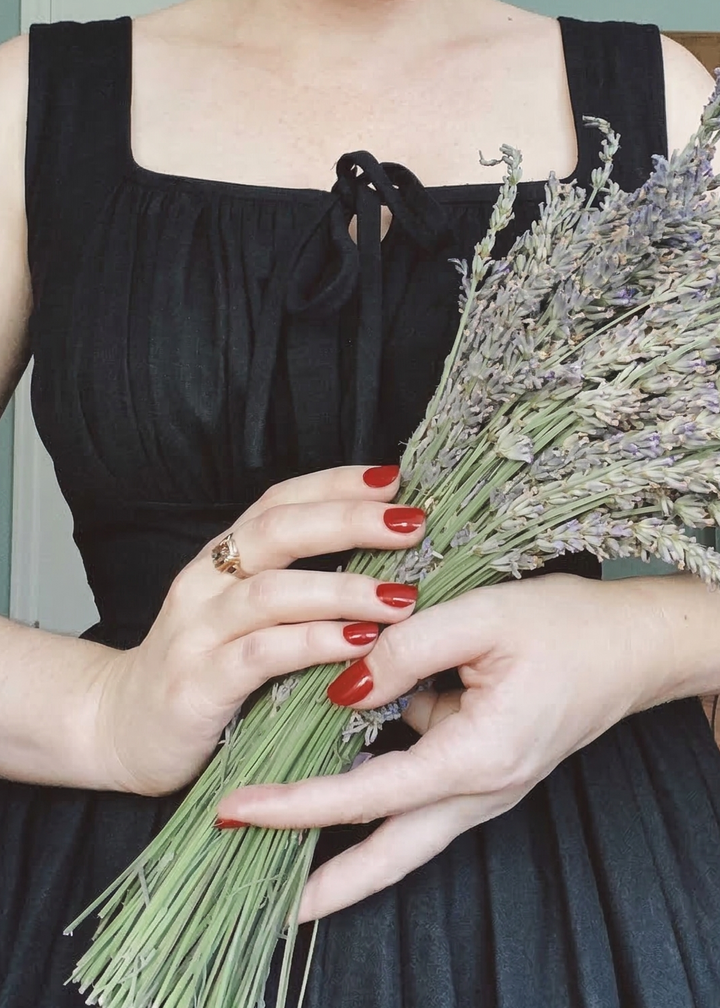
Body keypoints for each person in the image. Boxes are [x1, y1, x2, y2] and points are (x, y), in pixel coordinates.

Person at [0, 0, 719, 1004]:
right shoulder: (31, 104)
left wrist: (641, 641)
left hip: (586, 889)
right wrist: (99, 714)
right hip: (138, 871)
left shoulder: (669, 104)